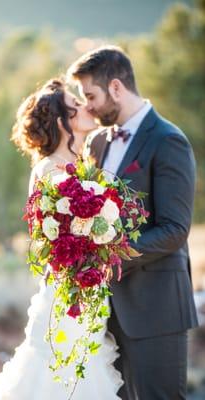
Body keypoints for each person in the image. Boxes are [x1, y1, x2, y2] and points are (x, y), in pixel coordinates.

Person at [0, 79, 123, 400]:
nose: (86, 107)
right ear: (61, 121)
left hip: (88, 289)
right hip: (67, 295)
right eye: (76, 105)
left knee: (84, 368)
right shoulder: (50, 170)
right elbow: (53, 242)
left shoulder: (82, 166)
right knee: (61, 375)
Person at [67, 45, 198, 400]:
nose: (88, 107)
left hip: (156, 310)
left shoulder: (168, 140)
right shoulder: (95, 143)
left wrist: (108, 257)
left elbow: (174, 229)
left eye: (90, 95)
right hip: (106, 313)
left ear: (115, 87)